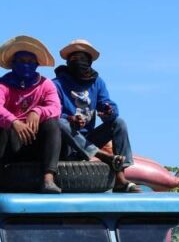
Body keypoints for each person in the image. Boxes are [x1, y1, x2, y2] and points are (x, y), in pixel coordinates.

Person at [53, 39, 140, 193]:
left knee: (119, 123)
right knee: (59, 122)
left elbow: (108, 104)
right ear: (68, 62)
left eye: (83, 58)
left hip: (89, 138)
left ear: (90, 62)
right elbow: (52, 112)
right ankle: (101, 155)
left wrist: (109, 111)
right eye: (75, 58)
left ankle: (120, 177)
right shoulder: (56, 84)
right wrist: (69, 119)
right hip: (66, 144)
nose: (79, 62)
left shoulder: (97, 83)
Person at [0, 35, 63, 194]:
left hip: (36, 143)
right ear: (13, 63)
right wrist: (14, 122)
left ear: (37, 64)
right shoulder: (2, 84)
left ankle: (48, 179)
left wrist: (37, 111)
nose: (26, 65)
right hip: (11, 144)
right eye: (21, 61)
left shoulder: (46, 84)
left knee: (53, 123)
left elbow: (55, 107)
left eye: (30, 61)